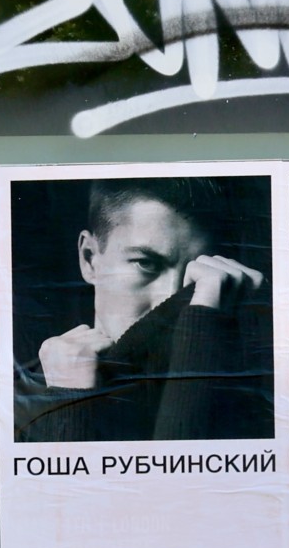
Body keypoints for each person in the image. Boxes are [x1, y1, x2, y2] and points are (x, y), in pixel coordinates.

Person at [14, 180, 268, 442]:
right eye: (145, 263)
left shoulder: (242, 396)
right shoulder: (17, 406)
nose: (169, 296)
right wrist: (67, 402)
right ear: (89, 258)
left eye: (194, 277)